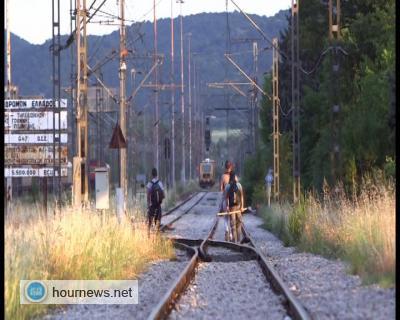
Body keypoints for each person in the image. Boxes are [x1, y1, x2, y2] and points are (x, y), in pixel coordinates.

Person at [219, 160, 237, 241]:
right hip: (234, 200)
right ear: (231, 167)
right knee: (233, 217)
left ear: (225, 167)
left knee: (226, 217)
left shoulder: (223, 176)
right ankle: (233, 235)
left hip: (226, 199)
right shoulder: (235, 176)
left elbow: (221, 189)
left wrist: (224, 195)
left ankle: (227, 231)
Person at [225, 170, 244, 243]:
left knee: (233, 225)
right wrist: (242, 206)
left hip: (231, 207)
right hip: (238, 207)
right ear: (235, 176)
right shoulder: (239, 185)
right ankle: (239, 240)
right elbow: (241, 196)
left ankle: (234, 242)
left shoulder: (228, 185)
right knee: (239, 223)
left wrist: (227, 207)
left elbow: (226, 198)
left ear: (230, 176)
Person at [146, 168, 165, 235]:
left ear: (152, 174)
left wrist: (148, 205)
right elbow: (163, 194)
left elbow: (148, 195)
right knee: (158, 221)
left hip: (152, 205)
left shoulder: (149, 184)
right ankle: (157, 235)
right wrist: (160, 201)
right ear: (157, 174)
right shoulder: (160, 183)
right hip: (158, 205)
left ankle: (148, 235)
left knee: (150, 221)